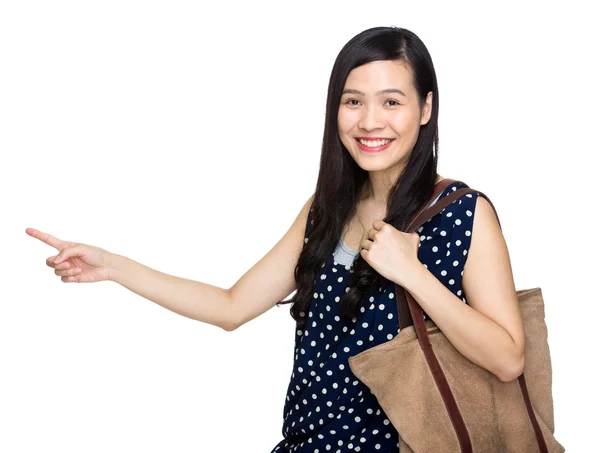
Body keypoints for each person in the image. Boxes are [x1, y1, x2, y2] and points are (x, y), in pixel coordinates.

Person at [26, 26, 526, 453]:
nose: (369, 121)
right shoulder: (325, 210)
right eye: (353, 102)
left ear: (425, 108)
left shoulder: (463, 213)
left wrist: (412, 273)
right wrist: (114, 266)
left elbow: (508, 359)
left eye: (391, 102)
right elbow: (231, 306)